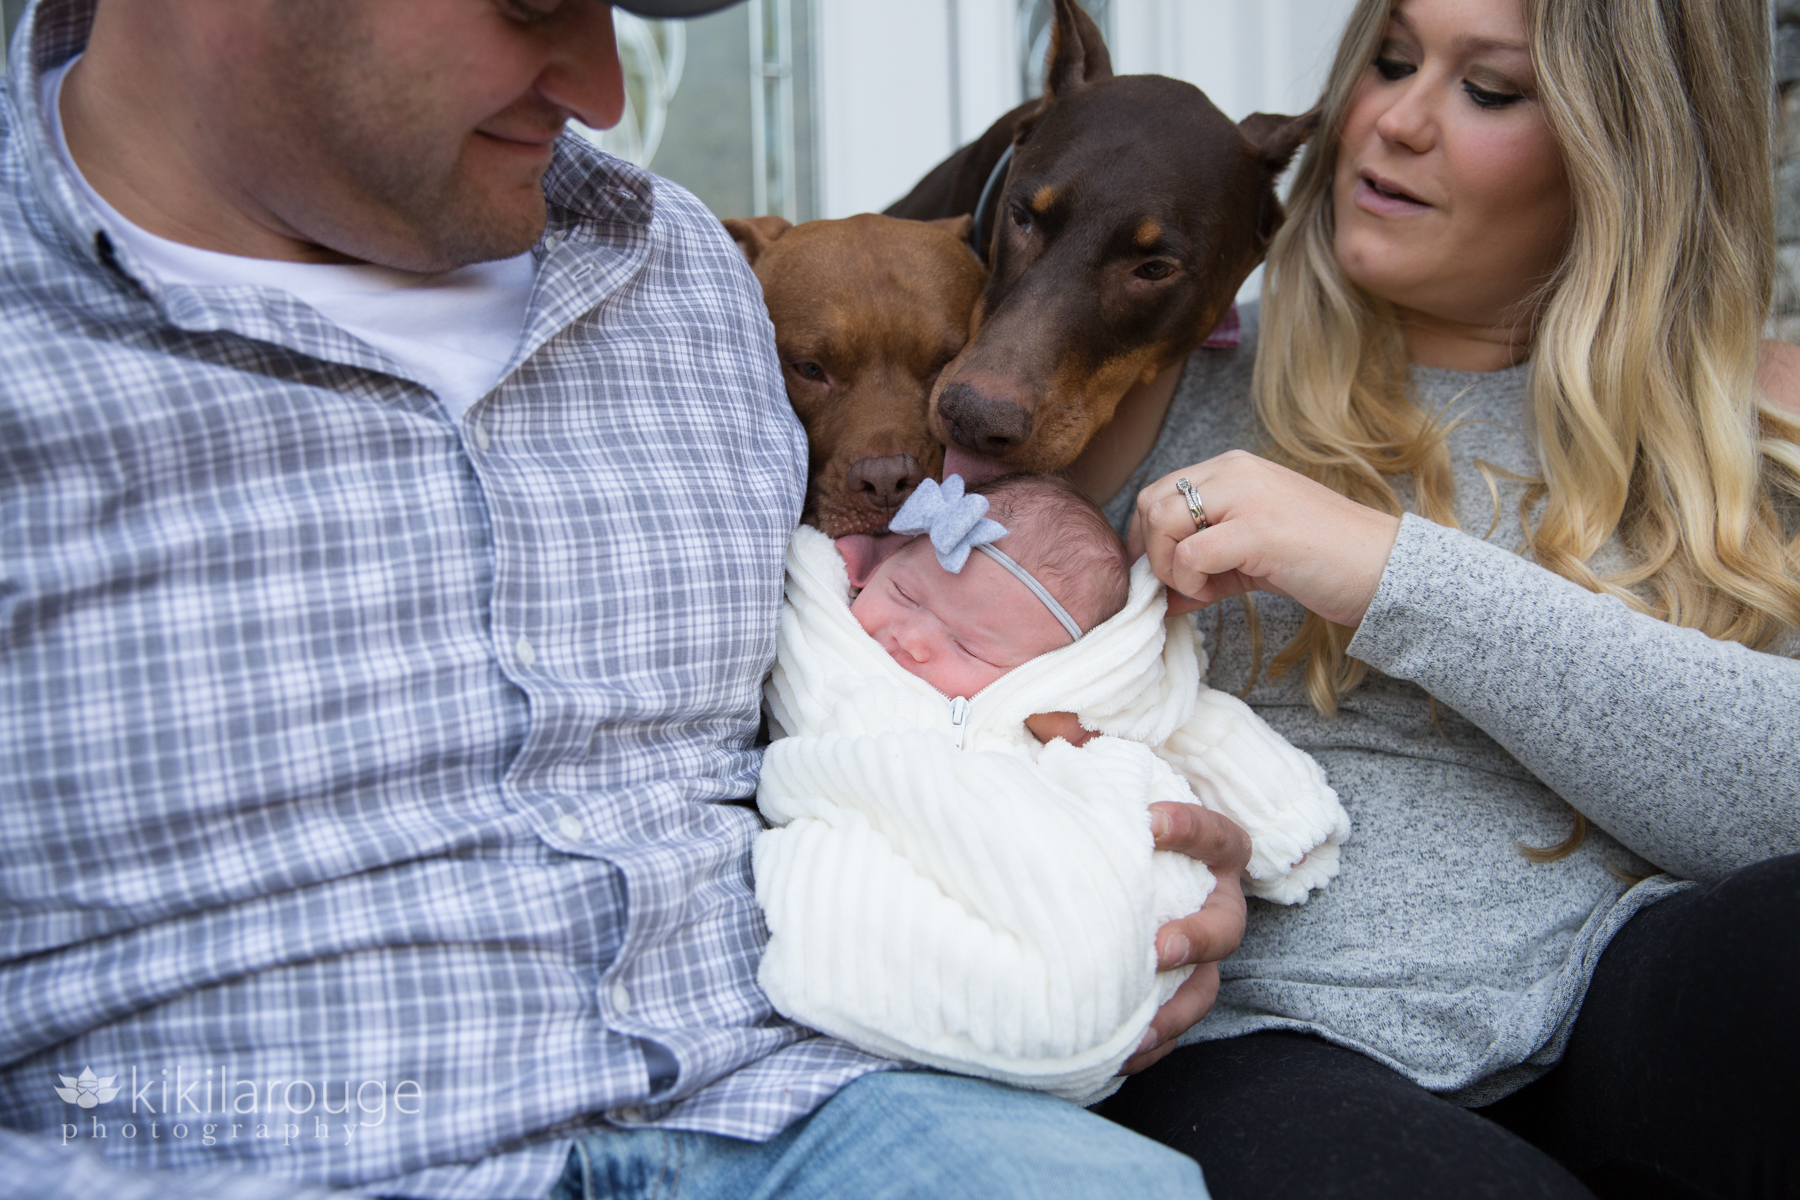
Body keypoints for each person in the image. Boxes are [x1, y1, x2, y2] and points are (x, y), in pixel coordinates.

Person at [0, 0, 1232, 1196]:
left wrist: (1104, 837)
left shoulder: (686, 269)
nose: (604, 88)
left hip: (800, 1093)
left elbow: (922, 656)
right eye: (530, 2)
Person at [1041, 0, 1800, 1195]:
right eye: (1389, 62)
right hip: (1257, 1042)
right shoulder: (1163, 370)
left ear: (1628, 147)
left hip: (1616, 1005)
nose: (1390, 121)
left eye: (1487, 90)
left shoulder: (1749, 445)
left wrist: (1392, 573)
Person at [755, 474, 1349, 1104]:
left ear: (1054, 668)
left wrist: (1283, 821)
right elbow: (824, 567)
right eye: (904, 593)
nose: (913, 638)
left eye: (967, 645)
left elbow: (1199, 730)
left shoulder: (1068, 711)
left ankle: (1046, 998)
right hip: (865, 790)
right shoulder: (833, 626)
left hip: (1020, 823)